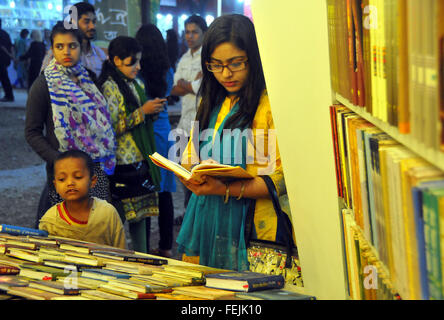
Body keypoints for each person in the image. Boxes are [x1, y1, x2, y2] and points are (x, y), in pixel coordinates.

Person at [175, 14, 291, 271]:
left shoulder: (270, 106)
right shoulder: (211, 103)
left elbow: (282, 181)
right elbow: (192, 155)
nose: (226, 74)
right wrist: (190, 173)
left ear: (253, 58)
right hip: (208, 222)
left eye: (236, 63)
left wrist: (222, 188)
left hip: (254, 229)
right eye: (216, 65)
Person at [25, 22, 116, 228]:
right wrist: (60, 160)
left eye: (72, 46)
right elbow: (32, 132)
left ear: (81, 48)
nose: (66, 51)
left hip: (94, 169)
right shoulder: (43, 85)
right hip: (63, 173)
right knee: (64, 230)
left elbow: (101, 121)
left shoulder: (89, 80)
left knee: (97, 226)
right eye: (59, 46)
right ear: (52, 49)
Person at [98, 36, 166, 254]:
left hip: (140, 160)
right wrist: (142, 113)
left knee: (140, 220)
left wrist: (151, 112)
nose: (138, 67)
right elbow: (109, 128)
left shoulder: (136, 84)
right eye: (132, 62)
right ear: (117, 60)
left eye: (139, 61)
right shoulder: (109, 87)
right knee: (116, 220)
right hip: (120, 164)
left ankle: (142, 260)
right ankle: (113, 261)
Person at [135, 24, 176, 258]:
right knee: (165, 193)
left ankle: (143, 249)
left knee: (145, 192)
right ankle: (166, 246)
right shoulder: (167, 70)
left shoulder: (137, 74)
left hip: (145, 133)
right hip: (164, 132)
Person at [39, 150, 126, 249]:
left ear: (92, 181)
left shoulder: (107, 213)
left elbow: (122, 251)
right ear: (56, 186)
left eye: (78, 177)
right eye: (62, 179)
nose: (70, 183)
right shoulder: (51, 221)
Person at [170, 14, 207, 222]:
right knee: (184, 173)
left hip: (202, 125)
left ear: (204, 33)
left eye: (194, 32)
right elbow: (175, 89)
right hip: (184, 124)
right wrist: (189, 85)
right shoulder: (184, 58)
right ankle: (188, 214)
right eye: (187, 32)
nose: (190, 36)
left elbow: (198, 88)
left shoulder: (207, 57)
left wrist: (189, 85)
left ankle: (198, 217)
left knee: (200, 172)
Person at [41, 2, 106, 77]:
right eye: (86, 22)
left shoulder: (99, 54)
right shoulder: (57, 54)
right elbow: (44, 81)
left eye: (94, 22)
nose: (92, 26)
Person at [0, 18, 14, 102]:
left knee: (4, 78)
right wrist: (11, 55)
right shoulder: (5, 33)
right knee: (4, 77)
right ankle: (9, 95)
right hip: (5, 59)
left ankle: (9, 96)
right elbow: (11, 45)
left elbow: (2, 47)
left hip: (1, 58)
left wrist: (9, 55)